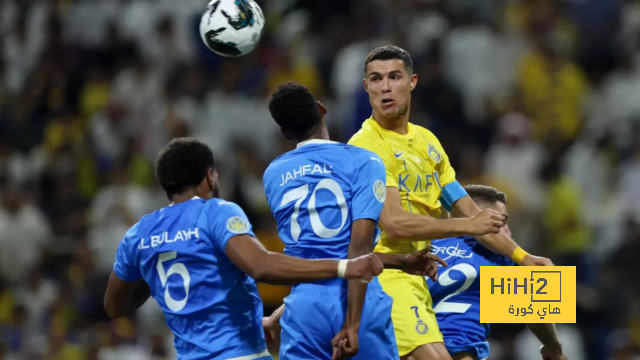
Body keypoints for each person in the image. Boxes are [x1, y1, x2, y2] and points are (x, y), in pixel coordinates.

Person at [347, 45, 554, 360]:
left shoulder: (428, 142)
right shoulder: (366, 145)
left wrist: (524, 257)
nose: (385, 87)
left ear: (412, 81)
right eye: (376, 79)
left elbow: (471, 211)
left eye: (394, 77)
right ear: (366, 87)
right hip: (385, 277)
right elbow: (395, 224)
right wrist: (554, 349)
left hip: (417, 281)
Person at [103, 138, 387, 360]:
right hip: (241, 354)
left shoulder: (139, 234)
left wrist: (156, 282)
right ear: (211, 176)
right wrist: (342, 266)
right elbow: (261, 266)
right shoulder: (215, 212)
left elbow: (114, 305)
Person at [261, 82, 448, 360]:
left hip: (303, 306)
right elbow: (357, 248)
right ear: (322, 109)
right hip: (358, 298)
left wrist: (399, 261)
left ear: (284, 132)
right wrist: (352, 323)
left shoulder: (273, 174)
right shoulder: (365, 161)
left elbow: (321, 252)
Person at [428, 185, 567, 360]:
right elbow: (539, 314)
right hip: (459, 350)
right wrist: (554, 348)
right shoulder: (498, 257)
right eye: (503, 221)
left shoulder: (420, 248)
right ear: (484, 218)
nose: (508, 230)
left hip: (408, 346)